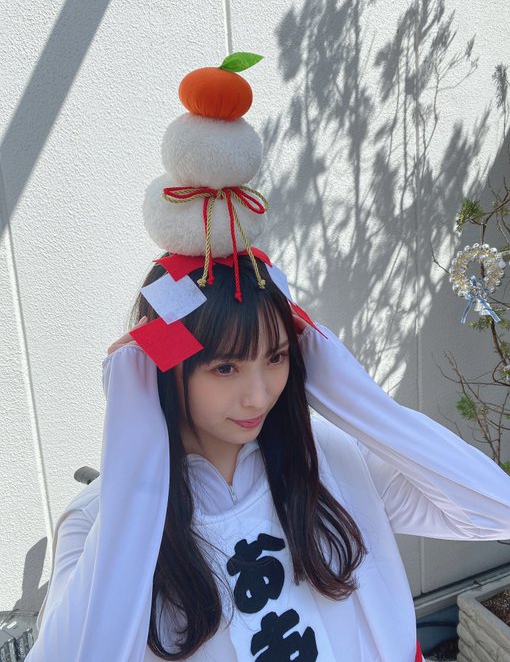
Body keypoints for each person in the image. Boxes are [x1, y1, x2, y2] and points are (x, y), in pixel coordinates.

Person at [26, 254, 510, 662]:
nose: (258, 396)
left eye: (276, 357)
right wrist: (133, 462)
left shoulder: (330, 459)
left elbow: (496, 509)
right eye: (226, 367)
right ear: (165, 370)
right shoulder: (97, 521)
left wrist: (355, 397)